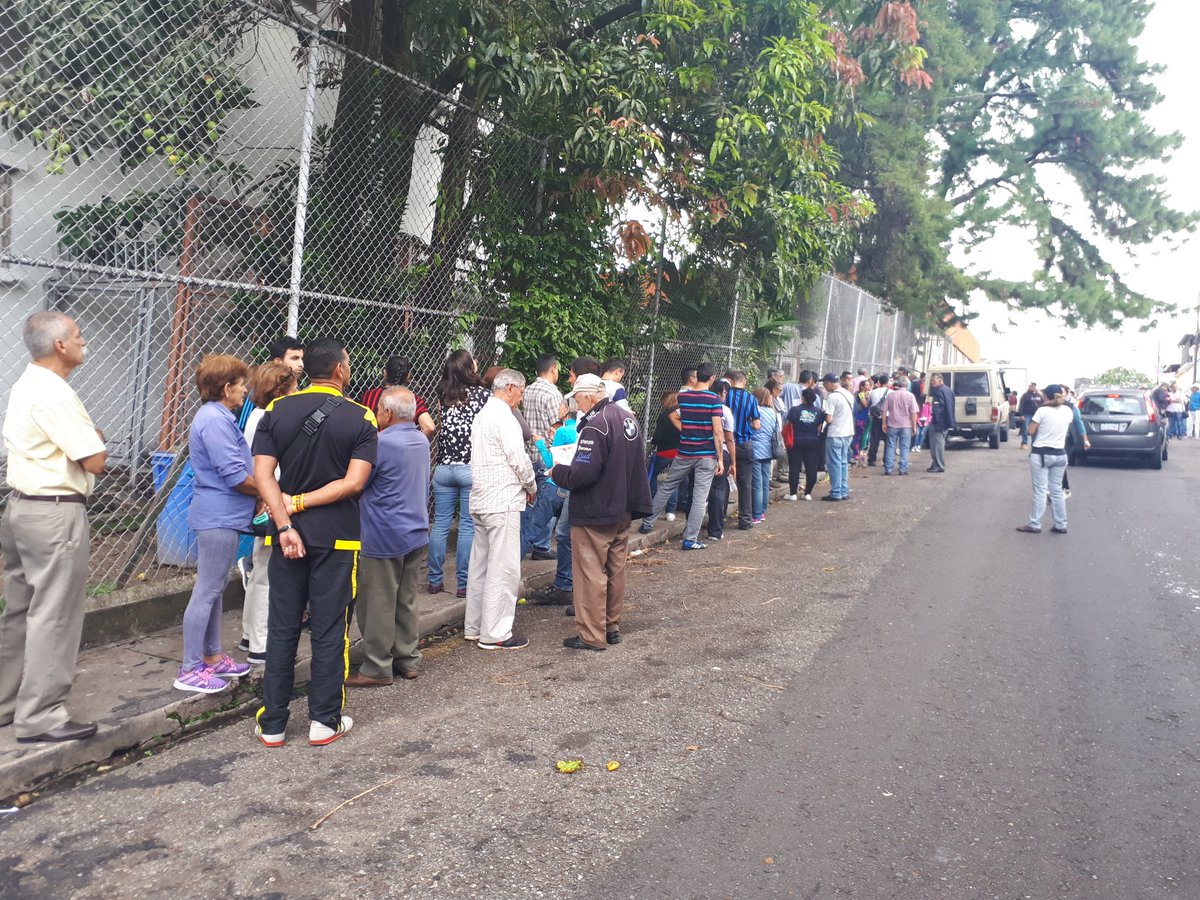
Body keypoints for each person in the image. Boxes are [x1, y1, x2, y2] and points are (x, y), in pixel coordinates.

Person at [252, 337, 379, 747]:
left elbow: (263, 476)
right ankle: (324, 720)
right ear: (340, 370)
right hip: (338, 538)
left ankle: (272, 723)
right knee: (329, 629)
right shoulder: (361, 416)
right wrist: (303, 502)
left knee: (282, 627)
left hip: (287, 536)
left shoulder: (276, 410)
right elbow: (354, 483)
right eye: (349, 363)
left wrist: (285, 523)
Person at [0, 313, 107, 744]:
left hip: (22, 507)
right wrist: (96, 438)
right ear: (60, 345)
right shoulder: (56, 394)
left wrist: (90, 439)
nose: (85, 342)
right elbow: (95, 459)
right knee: (55, 614)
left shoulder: (26, 383)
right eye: (79, 336)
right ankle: (41, 715)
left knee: (20, 610)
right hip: (54, 512)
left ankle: (8, 704)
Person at [174, 355, 258, 693]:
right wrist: (268, 490)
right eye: (240, 384)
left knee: (215, 587)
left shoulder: (218, 417)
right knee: (207, 589)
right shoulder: (214, 420)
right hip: (218, 514)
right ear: (226, 388)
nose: (245, 390)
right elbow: (235, 475)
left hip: (222, 513)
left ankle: (210, 656)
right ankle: (190, 667)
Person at [550, 375, 652, 651]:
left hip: (596, 509)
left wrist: (557, 471)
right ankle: (611, 627)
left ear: (588, 396)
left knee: (590, 571)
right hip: (623, 506)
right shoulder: (626, 418)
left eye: (577, 399)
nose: (577, 404)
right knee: (615, 569)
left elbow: (582, 474)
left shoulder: (596, 424)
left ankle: (591, 635)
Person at [348, 387, 430, 686]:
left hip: (383, 532)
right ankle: (408, 659)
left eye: (380, 409)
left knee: (378, 602)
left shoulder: (380, 443)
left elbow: (358, 482)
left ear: (387, 413)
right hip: (416, 529)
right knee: (406, 598)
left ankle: (377, 667)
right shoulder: (420, 440)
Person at [465, 369, 537, 650]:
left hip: (481, 498)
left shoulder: (482, 415)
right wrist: (531, 485)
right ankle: (495, 632)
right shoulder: (505, 417)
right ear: (509, 388)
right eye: (521, 392)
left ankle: (474, 626)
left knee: (480, 566)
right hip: (502, 500)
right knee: (503, 568)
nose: (521, 398)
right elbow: (518, 459)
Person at [239, 361, 298, 665]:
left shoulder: (255, 415)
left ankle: (249, 634)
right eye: (294, 387)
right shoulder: (272, 417)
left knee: (260, 567)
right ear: (281, 389)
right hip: (270, 499)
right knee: (266, 573)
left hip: (261, 497)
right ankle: (260, 645)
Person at [639, 362, 725, 550]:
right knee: (699, 497)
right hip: (706, 455)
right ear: (712, 378)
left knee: (667, 487)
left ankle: (647, 523)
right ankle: (690, 539)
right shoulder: (713, 399)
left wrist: (686, 430)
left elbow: (673, 416)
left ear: (697, 376)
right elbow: (718, 431)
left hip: (684, 452)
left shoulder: (684, 397)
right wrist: (720, 458)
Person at [428, 349, 489, 598]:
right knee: (467, 525)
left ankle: (434, 580)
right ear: (468, 367)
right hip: (469, 467)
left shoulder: (443, 395)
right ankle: (464, 584)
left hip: (443, 468)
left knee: (440, 524)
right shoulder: (482, 395)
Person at [520, 353, 563, 561]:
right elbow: (557, 426)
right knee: (546, 502)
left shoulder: (526, 390)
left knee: (530, 500)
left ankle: (524, 541)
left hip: (528, 453)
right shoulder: (553, 393)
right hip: (546, 455)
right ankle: (541, 546)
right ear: (553, 369)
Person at [1016, 383, 1072, 535]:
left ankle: (1034, 524)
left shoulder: (1042, 410)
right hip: (1060, 454)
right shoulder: (1067, 411)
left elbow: (1030, 430)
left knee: (1040, 491)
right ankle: (1061, 524)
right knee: (1057, 491)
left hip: (1041, 454)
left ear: (1046, 396)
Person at [237, 336, 304, 431]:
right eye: (295, 358)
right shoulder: (259, 391)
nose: (301, 364)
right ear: (278, 362)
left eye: (301, 358)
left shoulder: (297, 389)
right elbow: (242, 429)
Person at [358, 355, 436, 438]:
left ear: (385, 373)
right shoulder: (411, 399)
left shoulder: (369, 395)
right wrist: (410, 441)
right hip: (400, 444)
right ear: (408, 376)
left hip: (370, 443)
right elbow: (429, 427)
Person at [723, 370, 761, 531]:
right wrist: (746, 423)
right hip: (744, 444)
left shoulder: (724, 395)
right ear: (744, 381)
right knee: (745, 484)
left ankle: (719, 518)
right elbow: (757, 424)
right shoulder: (751, 398)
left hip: (725, 444)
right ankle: (745, 520)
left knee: (722, 482)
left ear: (730, 380)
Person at [706, 380, 737, 541]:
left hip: (697, 450)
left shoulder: (699, 404)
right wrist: (733, 462)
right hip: (720, 450)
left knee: (695, 488)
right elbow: (729, 438)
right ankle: (715, 530)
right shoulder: (724, 410)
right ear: (722, 393)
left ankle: (690, 528)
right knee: (718, 489)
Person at [784, 388, 825, 500]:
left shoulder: (794, 410)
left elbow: (788, 424)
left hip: (796, 441)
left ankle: (793, 494)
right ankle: (808, 493)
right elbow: (820, 427)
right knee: (811, 468)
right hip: (813, 441)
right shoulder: (819, 412)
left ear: (803, 397)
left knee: (794, 468)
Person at [821, 373, 855, 501]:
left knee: (834, 463)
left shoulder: (832, 397)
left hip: (835, 433)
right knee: (843, 462)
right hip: (848, 432)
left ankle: (836, 492)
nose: (824, 387)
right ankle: (844, 490)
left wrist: (823, 415)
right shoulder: (848, 394)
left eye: (824, 384)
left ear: (829, 383)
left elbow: (829, 419)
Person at [648, 391, 681, 521]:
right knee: (674, 479)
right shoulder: (680, 414)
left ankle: (652, 502)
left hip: (664, 451)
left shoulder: (663, 415)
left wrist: (653, 442)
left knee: (652, 474)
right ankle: (670, 511)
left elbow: (658, 435)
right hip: (678, 451)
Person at [881, 374, 919, 476]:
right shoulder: (910, 396)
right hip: (906, 425)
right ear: (907, 384)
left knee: (890, 446)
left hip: (892, 424)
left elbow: (884, 410)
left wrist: (884, 423)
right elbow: (913, 413)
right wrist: (914, 426)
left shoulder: (890, 395)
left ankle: (888, 468)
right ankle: (903, 469)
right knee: (904, 447)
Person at [750, 387, 777, 523]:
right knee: (765, 482)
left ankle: (756, 514)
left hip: (755, 449)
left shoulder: (755, 411)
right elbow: (775, 430)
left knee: (757, 483)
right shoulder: (772, 412)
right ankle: (762, 512)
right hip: (768, 449)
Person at [926, 373, 956, 473]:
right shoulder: (949, 391)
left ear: (940, 380)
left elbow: (938, 408)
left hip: (939, 422)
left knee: (937, 444)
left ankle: (939, 465)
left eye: (934, 381)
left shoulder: (939, 392)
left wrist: (935, 418)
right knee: (939, 443)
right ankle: (935, 463)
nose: (932, 383)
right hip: (946, 421)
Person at [866, 374, 889, 466]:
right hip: (887, 417)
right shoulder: (891, 392)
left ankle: (872, 459)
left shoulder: (873, 392)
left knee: (874, 439)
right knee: (888, 440)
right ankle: (886, 459)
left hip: (875, 416)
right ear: (887, 382)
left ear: (879, 382)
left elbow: (869, 403)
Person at [1017, 383, 1042, 448]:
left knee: (1035, 430)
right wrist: (1021, 414)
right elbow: (1021, 405)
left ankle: (1034, 443)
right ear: (1029, 387)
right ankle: (1024, 443)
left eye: (1034, 386)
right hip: (1027, 414)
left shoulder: (1039, 396)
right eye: (1031, 386)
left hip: (1036, 415)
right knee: (1025, 429)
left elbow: (1043, 404)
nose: (1033, 388)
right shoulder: (1025, 395)